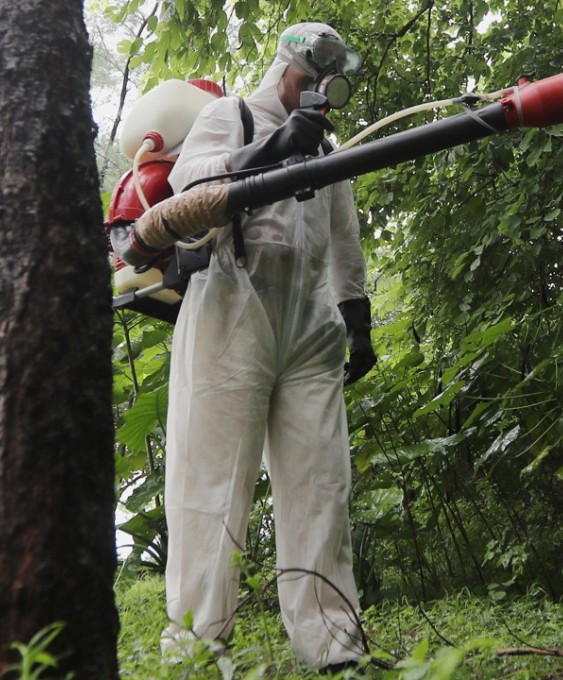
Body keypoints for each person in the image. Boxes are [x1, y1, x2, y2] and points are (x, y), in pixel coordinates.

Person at [160, 22, 376, 674]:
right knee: (213, 483)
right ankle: (197, 645)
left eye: (329, 80)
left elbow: (344, 242)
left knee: (320, 485)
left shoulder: (332, 149)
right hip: (233, 306)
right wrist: (274, 148)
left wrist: (358, 322)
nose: (318, 90)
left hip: (311, 326)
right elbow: (186, 190)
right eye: (310, 75)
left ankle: (333, 645)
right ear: (287, 65)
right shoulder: (233, 114)